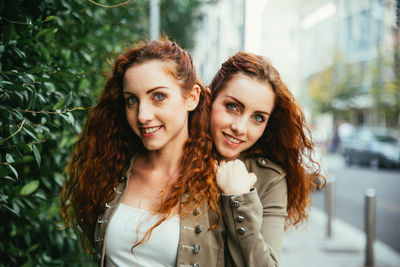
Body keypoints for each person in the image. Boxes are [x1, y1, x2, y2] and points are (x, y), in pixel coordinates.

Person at [60, 38, 221, 267]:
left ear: (192, 98)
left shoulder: (218, 183)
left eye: (158, 96)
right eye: (132, 100)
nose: (142, 115)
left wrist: (240, 197)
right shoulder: (112, 170)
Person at [208, 51, 323, 266]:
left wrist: (239, 198)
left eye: (257, 118)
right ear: (209, 98)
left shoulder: (269, 178)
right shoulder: (173, 155)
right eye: (232, 106)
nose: (240, 128)